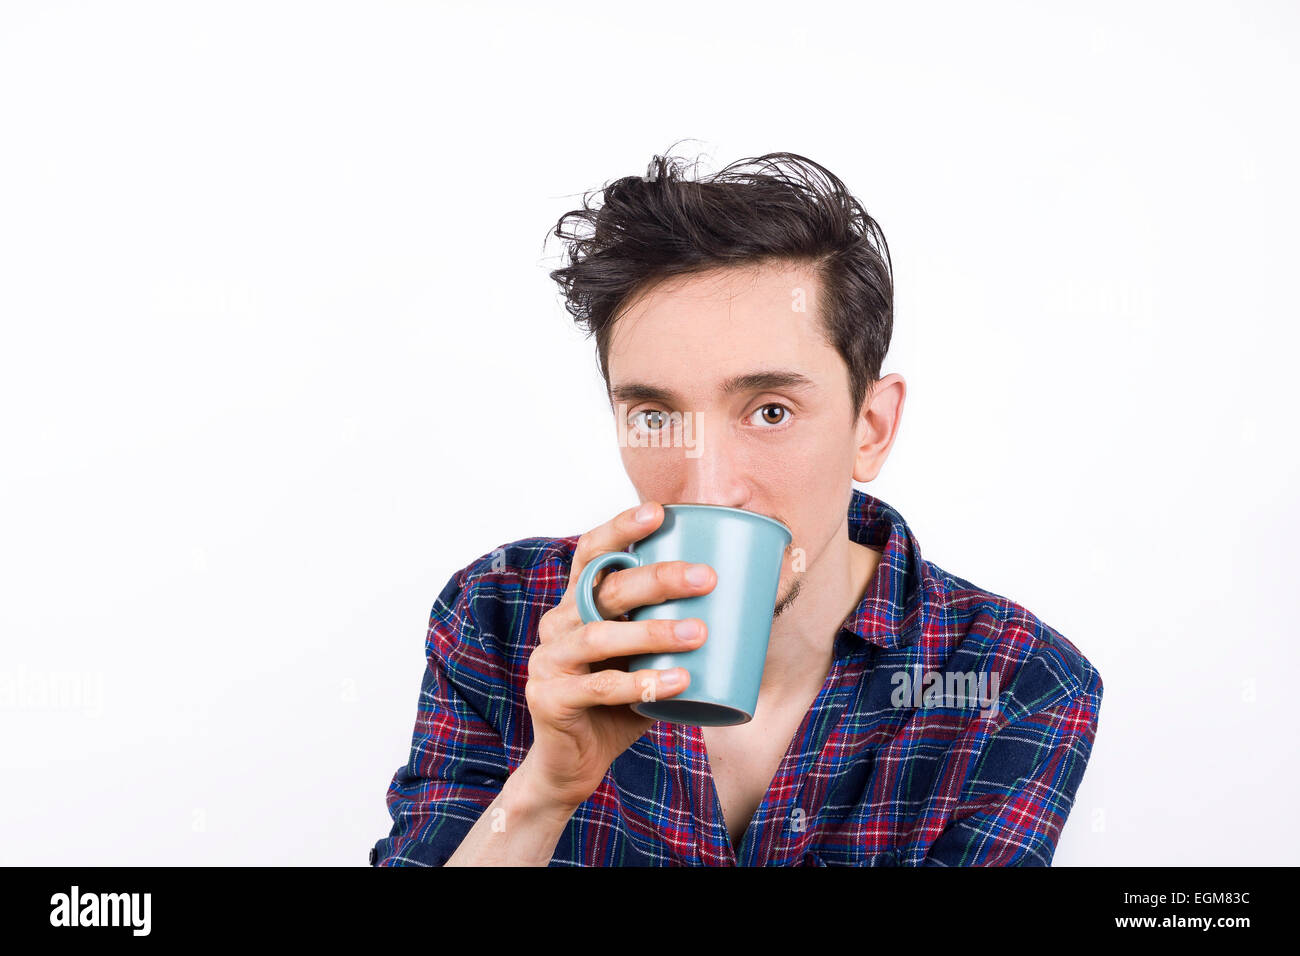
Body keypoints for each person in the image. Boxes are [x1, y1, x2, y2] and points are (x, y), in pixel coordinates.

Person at [370, 148, 1103, 866]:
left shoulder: (1013, 681)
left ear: (870, 429)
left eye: (771, 411)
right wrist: (544, 791)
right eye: (656, 416)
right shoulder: (500, 616)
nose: (709, 487)